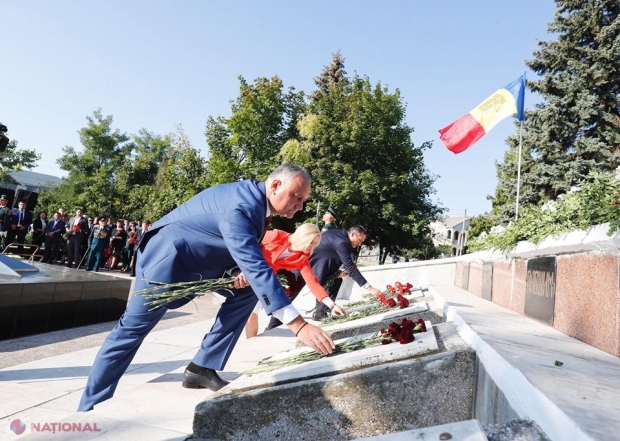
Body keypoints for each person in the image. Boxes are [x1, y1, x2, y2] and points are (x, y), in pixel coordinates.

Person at [78, 163, 335, 412]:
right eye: (297, 197)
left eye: (303, 201)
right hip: (168, 261)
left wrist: (235, 271)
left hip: (199, 264)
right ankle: (91, 407)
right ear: (276, 185)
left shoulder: (256, 202)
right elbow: (256, 266)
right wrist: (298, 325)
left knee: (248, 290)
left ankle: (201, 367)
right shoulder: (244, 206)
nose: (300, 207)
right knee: (130, 332)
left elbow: (223, 243)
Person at [245, 224, 347, 338]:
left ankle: (250, 341)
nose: (312, 246)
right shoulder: (276, 236)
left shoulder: (302, 258)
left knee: (252, 315)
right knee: (247, 315)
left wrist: (332, 306)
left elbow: (313, 283)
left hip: (264, 282)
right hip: (244, 272)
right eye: (311, 242)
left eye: (315, 244)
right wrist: (239, 269)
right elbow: (247, 244)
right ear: (303, 236)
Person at [310, 225, 384, 320]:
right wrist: (370, 289)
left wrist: (340, 270)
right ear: (353, 234)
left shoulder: (341, 236)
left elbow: (340, 256)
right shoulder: (342, 241)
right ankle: (286, 310)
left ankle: (320, 312)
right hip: (315, 264)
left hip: (324, 264)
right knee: (292, 290)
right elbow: (350, 267)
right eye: (360, 240)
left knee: (335, 281)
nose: (360, 244)